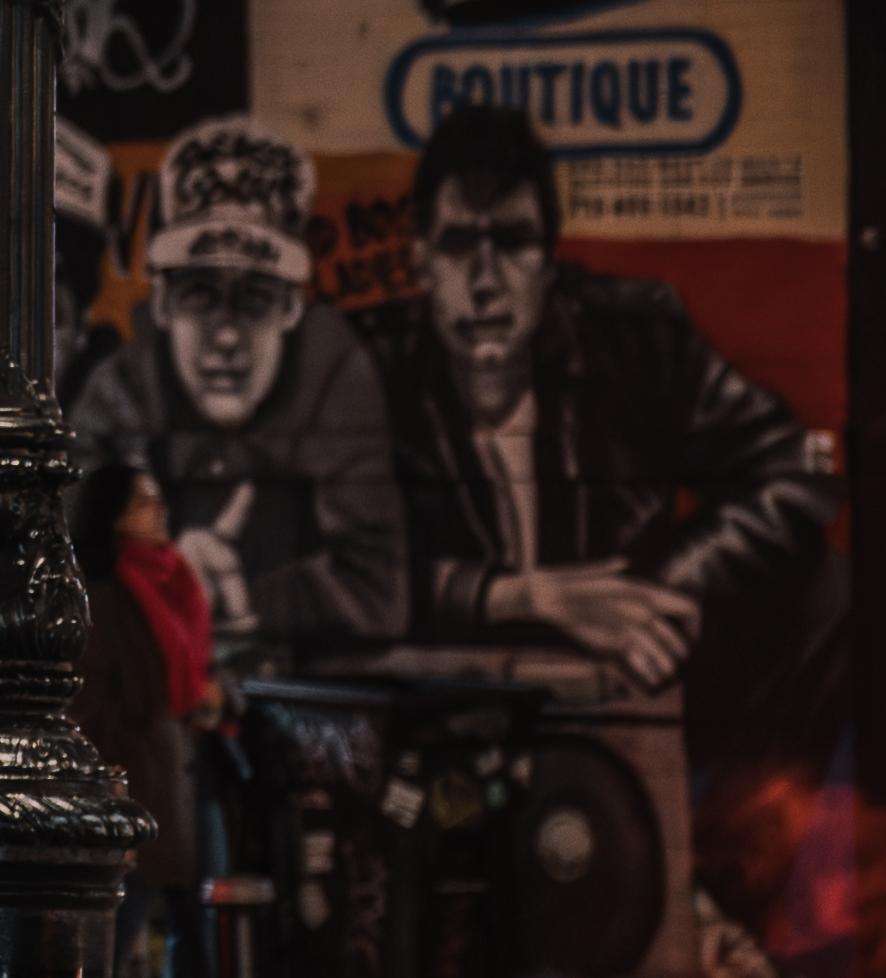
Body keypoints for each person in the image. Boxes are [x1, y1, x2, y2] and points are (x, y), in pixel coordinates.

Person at [361, 97, 846, 913]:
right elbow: (324, 562)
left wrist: (659, 590)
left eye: (511, 242)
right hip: (457, 685)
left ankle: (716, 904)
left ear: (549, 260)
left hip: (625, 658)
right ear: (419, 262)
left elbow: (794, 471)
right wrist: (521, 594)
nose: (484, 279)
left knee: (831, 596)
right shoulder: (368, 371)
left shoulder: (634, 340)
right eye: (457, 245)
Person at [69, 113, 407, 667]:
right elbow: (60, 564)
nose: (226, 335)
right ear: (164, 303)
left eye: (254, 298)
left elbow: (378, 590)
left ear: (292, 308)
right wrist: (166, 576)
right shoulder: (122, 390)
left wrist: (242, 596)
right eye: (201, 294)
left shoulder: (335, 372)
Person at [73, 451, 224, 978]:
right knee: (112, 942)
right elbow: (90, 705)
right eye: (143, 503)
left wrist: (213, 702)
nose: (159, 512)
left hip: (188, 782)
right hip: (137, 793)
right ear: (113, 519)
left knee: (204, 930)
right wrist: (152, 723)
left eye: (158, 499)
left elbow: (192, 675)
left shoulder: (175, 584)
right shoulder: (103, 599)